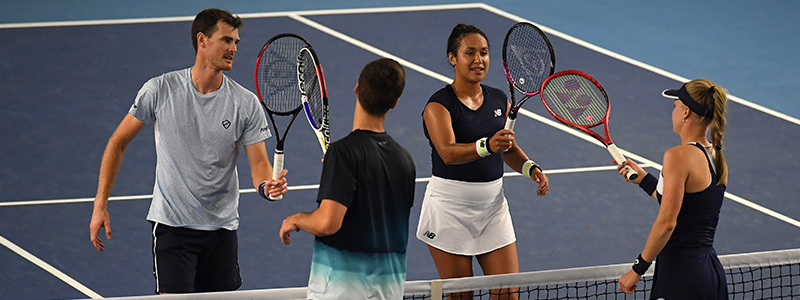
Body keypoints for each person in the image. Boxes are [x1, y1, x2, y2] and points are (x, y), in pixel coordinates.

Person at [88, 8, 288, 294]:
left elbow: (259, 165)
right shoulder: (159, 89)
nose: (233, 48)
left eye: (236, 43)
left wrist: (267, 187)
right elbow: (117, 142)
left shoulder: (245, 103)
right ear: (202, 40)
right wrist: (100, 204)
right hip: (173, 228)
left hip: (222, 231)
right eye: (226, 40)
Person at [416, 23, 549, 300]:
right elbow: (448, 153)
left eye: (484, 53)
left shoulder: (499, 98)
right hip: (449, 212)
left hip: (493, 210)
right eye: (470, 53)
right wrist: (487, 145)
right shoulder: (438, 105)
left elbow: (507, 147)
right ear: (453, 58)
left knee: (508, 295)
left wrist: (530, 167)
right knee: (461, 297)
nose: (479, 60)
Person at [279, 58, 415, 300]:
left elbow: (327, 224)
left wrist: (296, 219)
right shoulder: (405, 160)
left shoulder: (343, 154)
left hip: (343, 292)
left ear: (357, 88)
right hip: (389, 291)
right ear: (394, 103)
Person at [616, 79, 729, 299]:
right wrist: (645, 180)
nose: (673, 112)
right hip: (710, 276)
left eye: (675, 106)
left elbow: (667, 223)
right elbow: (689, 209)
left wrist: (637, 270)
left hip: (681, 277)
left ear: (686, 112)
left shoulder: (677, 156)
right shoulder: (716, 156)